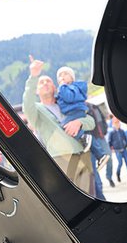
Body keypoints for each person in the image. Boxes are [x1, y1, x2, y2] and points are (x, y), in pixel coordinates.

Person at [22, 56, 95, 195]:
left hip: (82, 155)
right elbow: (27, 101)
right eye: (41, 82)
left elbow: (90, 121)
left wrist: (79, 122)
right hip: (61, 159)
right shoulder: (35, 110)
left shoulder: (66, 103)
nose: (45, 83)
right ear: (36, 91)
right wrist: (33, 76)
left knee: (92, 196)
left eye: (48, 81)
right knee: (73, 200)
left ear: (55, 87)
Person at [106, 116, 127, 185]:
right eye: (116, 123)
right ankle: (118, 174)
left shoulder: (122, 131)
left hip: (124, 149)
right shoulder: (112, 133)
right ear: (113, 124)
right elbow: (109, 142)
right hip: (117, 150)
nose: (118, 124)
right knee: (120, 163)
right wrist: (111, 149)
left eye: (118, 123)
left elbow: (126, 141)